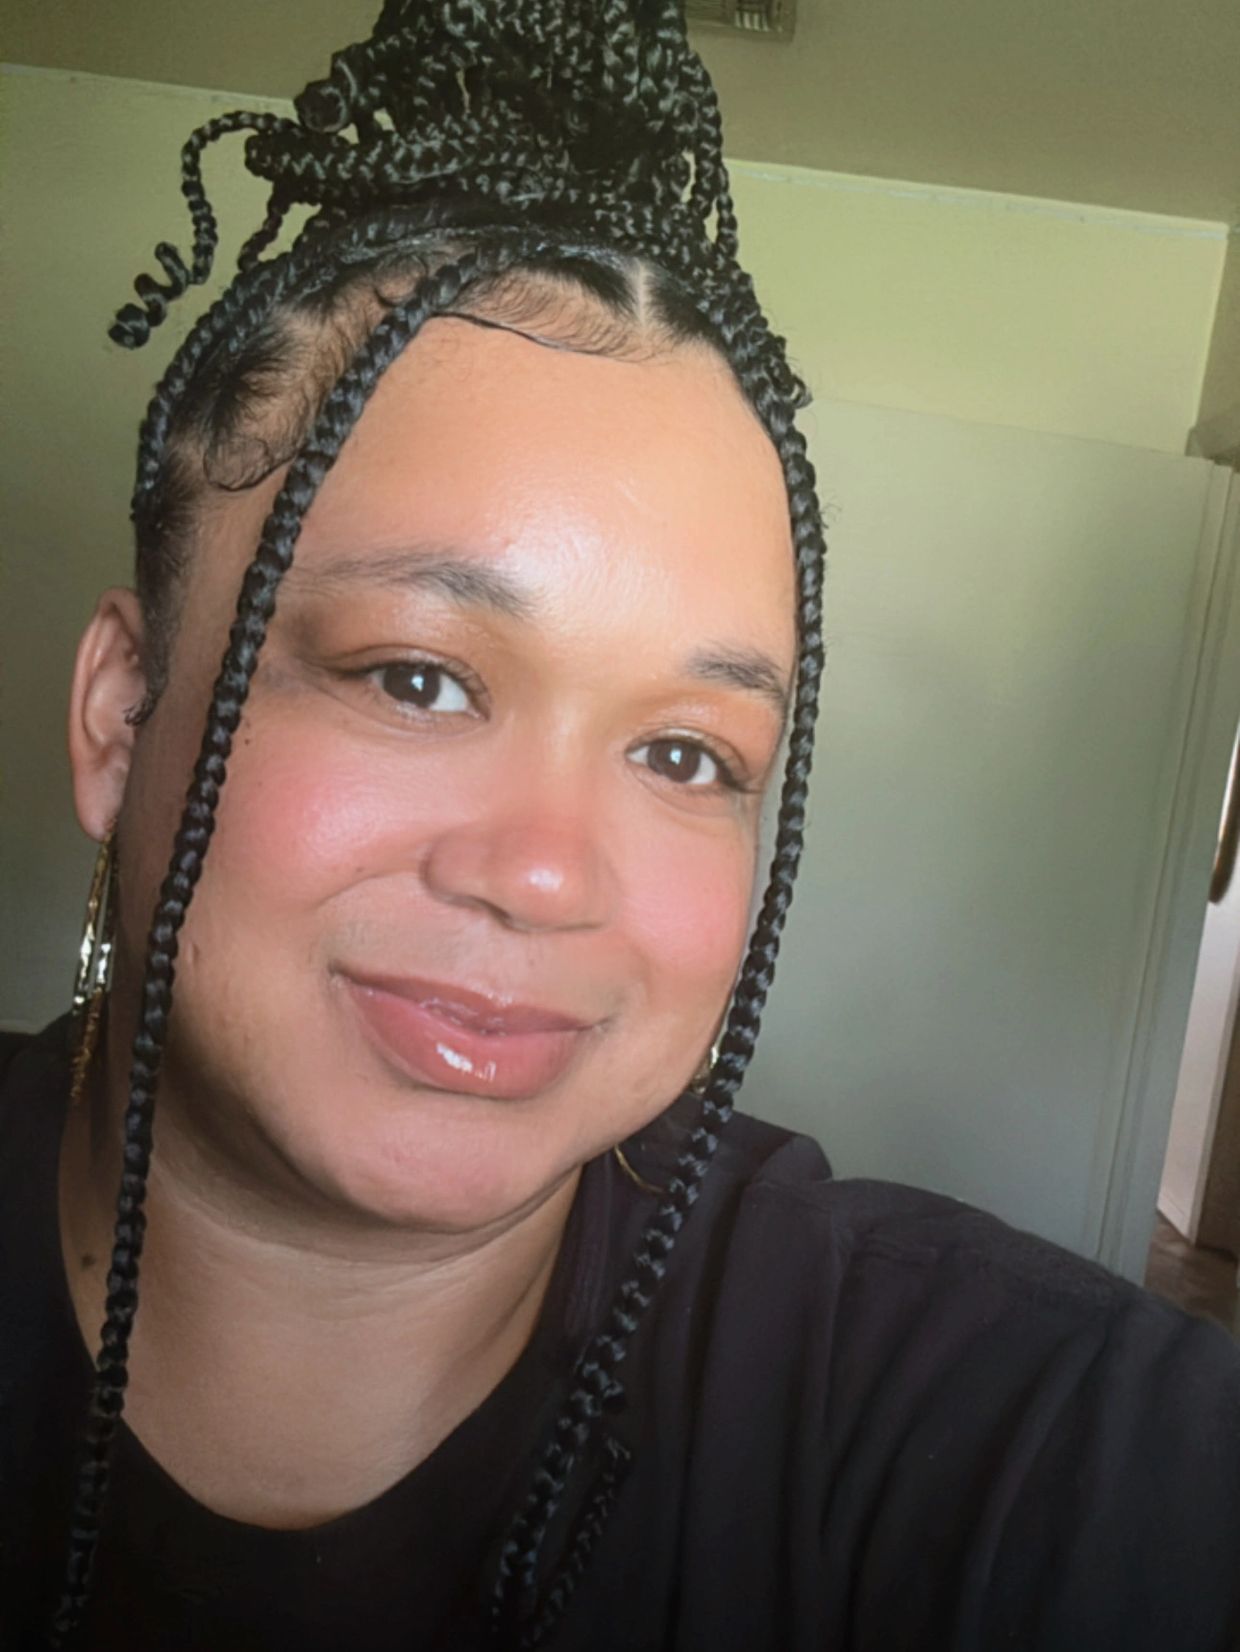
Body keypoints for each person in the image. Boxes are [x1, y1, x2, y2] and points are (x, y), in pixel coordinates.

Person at [2, 3, 1238, 1648]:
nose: (545, 874)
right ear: (118, 712)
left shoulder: (1021, 1436)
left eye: (684, 754)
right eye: (419, 677)